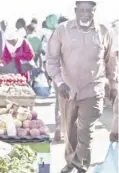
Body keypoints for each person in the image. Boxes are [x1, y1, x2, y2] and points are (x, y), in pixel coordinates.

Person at [46, 1, 118, 172]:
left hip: (93, 89)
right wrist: (59, 82)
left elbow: (111, 62)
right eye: (82, 10)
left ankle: (82, 165)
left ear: (95, 11)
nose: (86, 14)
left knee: (86, 130)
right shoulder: (62, 30)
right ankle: (72, 161)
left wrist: (113, 84)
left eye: (90, 10)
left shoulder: (105, 31)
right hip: (67, 90)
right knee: (69, 130)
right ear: (75, 10)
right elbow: (52, 59)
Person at [53, 16, 69, 142]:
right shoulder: (73, 37)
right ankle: (68, 131)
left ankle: (58, 127)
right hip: (71, 75)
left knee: (59, 102)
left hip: (58, 76)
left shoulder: (53, 36)